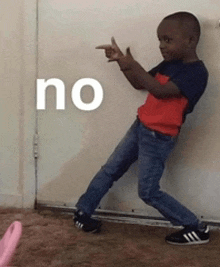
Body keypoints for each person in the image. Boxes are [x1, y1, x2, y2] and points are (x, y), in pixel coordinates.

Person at [73, 11, 209, 245]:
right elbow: (140, 83)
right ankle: (83, 212)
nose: (161, 45)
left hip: (159, 137)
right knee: (110, 170)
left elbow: (160, 91)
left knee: (148, 191)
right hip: (141, 126)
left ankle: (195, 227)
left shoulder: (197, 73)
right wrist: (123, 65)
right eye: (159, 40)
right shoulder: (169, 64)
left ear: (191, 40)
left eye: (168, 40)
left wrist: (131, 63)